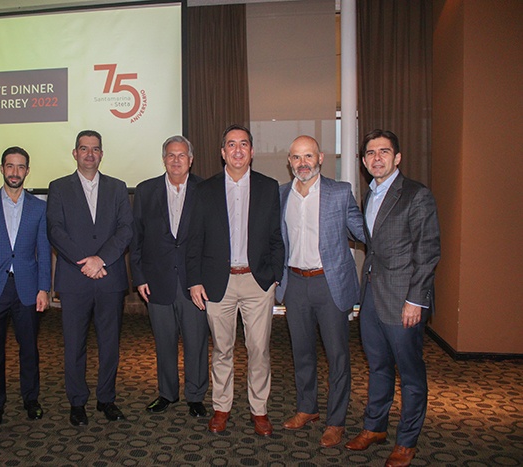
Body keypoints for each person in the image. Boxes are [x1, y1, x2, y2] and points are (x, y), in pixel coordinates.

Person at [345, 130, 440, 467]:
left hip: (404, 300)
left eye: (384, 152)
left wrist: (416, 300)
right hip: (372, 294)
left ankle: (406, 442)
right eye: (370, 153)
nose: (377, 158)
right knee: (378, 366)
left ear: (397, 158)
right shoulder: (370, 195)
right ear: (364, 160)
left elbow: (427, 252)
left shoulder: (417, 195)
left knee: (410, 374)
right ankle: (375, 427)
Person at [186, 124, 284, 436]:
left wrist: (275, 277)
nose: (237, 150)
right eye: (231, 144)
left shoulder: (269, 187)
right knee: (222, 350)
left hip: (257, 282)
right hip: (218, 283)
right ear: (222, 152)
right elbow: (194, 239)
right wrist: (194, 281)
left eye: (243, 144)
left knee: (259, 351)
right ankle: (221, 407)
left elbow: (276, 237)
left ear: (251, 152)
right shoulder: (205, 190)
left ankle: (259, 410)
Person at [275, 135, 365, 448]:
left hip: (330, 283)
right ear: (289, 161)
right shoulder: (281, 194)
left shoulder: (339, 192)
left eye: (308, 156)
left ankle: (336, 421)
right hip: (295, 283)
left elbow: (362, 230)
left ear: (321, 158)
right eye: (296, 157)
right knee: (301, 352)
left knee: (337, 356)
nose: (303, 163)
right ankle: (307, 408)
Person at [47, 130, 133, 426]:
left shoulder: (117, 187)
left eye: (95, 149)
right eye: (84, 149)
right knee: (74, 345)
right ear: (75, 153)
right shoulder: (58, 187)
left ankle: (106, 398)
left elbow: (126, 229)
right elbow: (55, 230)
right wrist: (85, 262)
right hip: (75, 278)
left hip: (109, 277)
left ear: (101, 154)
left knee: (110, 344)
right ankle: (77, 401)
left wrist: (100, 259)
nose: (89, 154)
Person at [130, 135, 209, 418]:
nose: (176, 160)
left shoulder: (205, 190)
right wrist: (139, 277)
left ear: (191, 160)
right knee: (163, 341)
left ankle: (196, 396)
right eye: (171, 155)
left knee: (196, 342)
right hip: (156, 280)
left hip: (194, 282)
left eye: (182, 155)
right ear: (164, 159)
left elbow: (212, 238)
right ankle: (167, 393)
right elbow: (136, 238)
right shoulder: (145, 190)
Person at [0, 146, 51, 427]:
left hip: (27, 288)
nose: (15, 172)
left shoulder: (39, 207)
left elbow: (43, 251)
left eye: (20, 166)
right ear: (2, 168)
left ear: (27, 171)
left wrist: (44, 288)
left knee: (29, 349)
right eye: (10, 166)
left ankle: (31, 399)